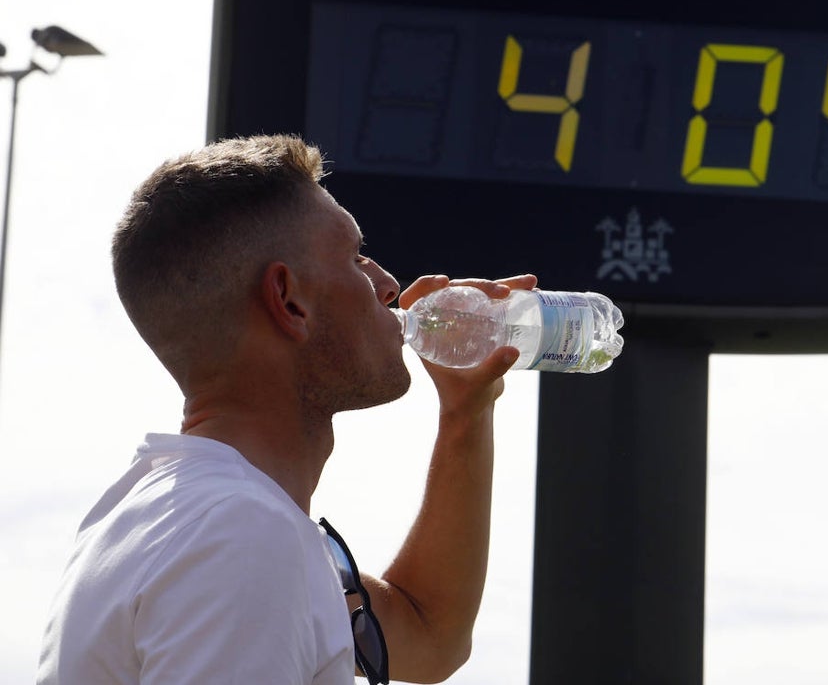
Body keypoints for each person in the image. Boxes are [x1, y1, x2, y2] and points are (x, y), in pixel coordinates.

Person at [36, 134, 536, 684]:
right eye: (355, 258)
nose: (389, 285)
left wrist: (466, 413)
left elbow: (429, 634)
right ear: (289, 300)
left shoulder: (160, 515)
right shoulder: (242, 536)